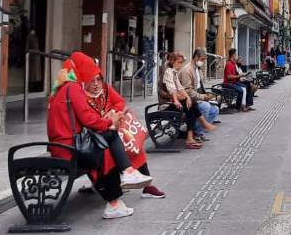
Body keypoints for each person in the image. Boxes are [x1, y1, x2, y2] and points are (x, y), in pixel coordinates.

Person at [47, 52, 155, 219]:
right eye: (89, 74)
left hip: (62, 148)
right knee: (107, 142)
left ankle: (117, 197)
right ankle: (125, 178)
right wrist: (109, 122)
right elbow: (88, 118)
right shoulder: (73, 88)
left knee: (105, 146)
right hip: (69, 149)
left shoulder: (62, 88)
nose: (92, 80)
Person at [158, 51, 216, 149]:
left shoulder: (174, 72)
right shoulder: (168, 71)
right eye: (179, 62)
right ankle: (199, 128)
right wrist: (176, 100)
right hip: (166, 104)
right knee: (191, 105)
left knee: (191, 104)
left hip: (174, 102)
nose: (180, 65)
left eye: (181, 63)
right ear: (172, 62)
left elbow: (180, 88)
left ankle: (191, 136)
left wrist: (188, 97)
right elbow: (171, 88)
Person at [180, 48, 220, 141]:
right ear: (196, 57)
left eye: (204, 60)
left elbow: (200, 87)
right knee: (205, 107)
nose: (203, 62)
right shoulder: (187, 70)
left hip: (197, 97)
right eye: (202, 59)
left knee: (215, 109)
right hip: (189, 99)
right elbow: (188, 91)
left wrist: (207, 95)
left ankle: (199, 129)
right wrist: (202, 97)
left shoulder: (198, 70)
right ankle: (197, 132)